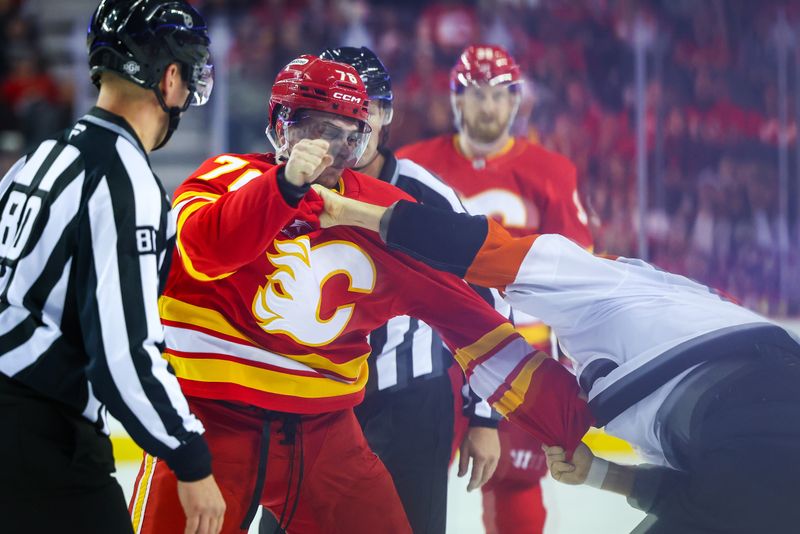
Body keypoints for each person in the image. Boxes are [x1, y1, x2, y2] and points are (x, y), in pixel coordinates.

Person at [131, 54, 592, 534]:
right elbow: (204, 250)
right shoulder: (224, 177)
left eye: (347, 137)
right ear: (280, 126)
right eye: (316, 130)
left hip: (325, 429)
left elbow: (465, 312)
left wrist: (565, 415)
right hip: (211, 416)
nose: (329, 151)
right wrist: (282, 189)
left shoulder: (383, 207)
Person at [313, 189, 800, 534]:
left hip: (741, 420)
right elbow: (711, 492)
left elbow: (479, 248)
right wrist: (598, 474)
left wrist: (353, 212)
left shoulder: (597, 279)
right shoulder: (690, 299)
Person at [0, 1, 226, 533]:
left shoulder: (39, 159)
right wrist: (190, 457)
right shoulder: (124, 182)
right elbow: (123, 356)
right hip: (39, 437)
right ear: (171, 78)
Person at [398, 43, 594, 533]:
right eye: (477, 94)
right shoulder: (410, 165)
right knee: (402, 487)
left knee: (517, 492)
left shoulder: (552, 173)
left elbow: (580, 276)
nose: (488, 106)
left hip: (518, 357)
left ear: (516, 101)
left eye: (499, 95)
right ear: (456, 99)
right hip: (429, 357)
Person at [308, 45, 501, 534]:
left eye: (367, 106)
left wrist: (485, 416)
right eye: (341, 106)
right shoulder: (288, 186)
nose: (356, 121)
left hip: (411, 400)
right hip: (312, 395)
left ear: (385, 114)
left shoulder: (425, 192)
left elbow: (489, 297)